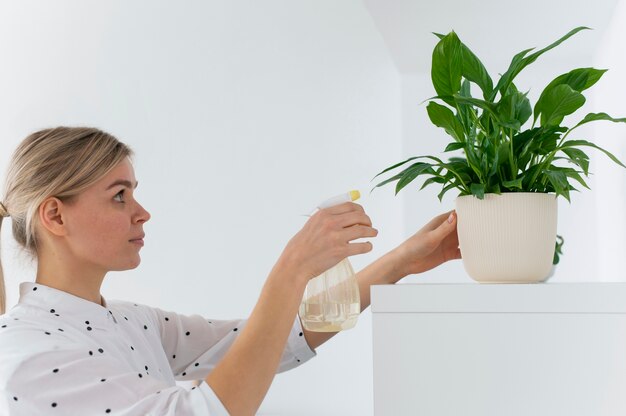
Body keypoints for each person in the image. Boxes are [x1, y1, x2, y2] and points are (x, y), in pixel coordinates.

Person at [0, 127, 461, 415]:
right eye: (119, 195)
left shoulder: (132, 321)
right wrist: (292, 268)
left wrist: (404, 262)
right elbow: (203, 411)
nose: (142, 213)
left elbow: (279, 338)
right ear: (56, 217)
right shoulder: (29, 354)